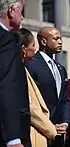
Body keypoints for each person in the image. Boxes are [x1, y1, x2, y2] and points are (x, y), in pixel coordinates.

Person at [25, 26, 69, 147]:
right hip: (38, 130)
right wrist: (48, 125)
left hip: (59, 133)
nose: (60, 42)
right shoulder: (31, 64)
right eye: (55, 39)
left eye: (60, 39)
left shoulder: (61, 69)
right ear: (43, 41)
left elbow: (64, 99)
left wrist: (65, 122)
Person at [18, 28, 57, 147]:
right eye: (33, 45)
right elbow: (30, 107)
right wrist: (52, 130)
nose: (35, 49)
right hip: (30, 132)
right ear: (24, 49)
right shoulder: (17, 71)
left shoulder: (22, 69)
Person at [0, 0, 31, 147]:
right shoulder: (6, 40)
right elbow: (7, 85)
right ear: (12, 11)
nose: (23, 17)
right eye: (21, 12)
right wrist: (12, 138)